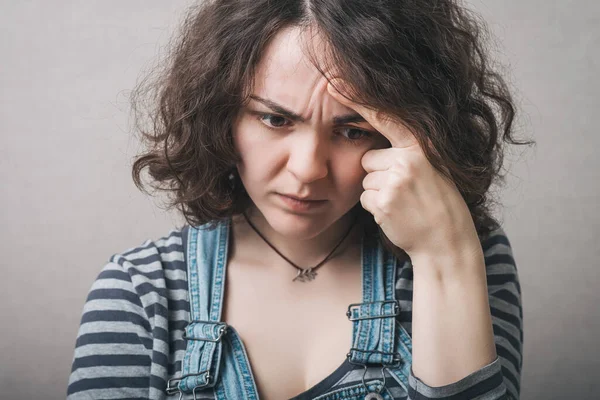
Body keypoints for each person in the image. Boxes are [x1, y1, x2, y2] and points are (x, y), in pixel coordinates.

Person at [67, 0, 532, 399]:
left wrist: (445, 257)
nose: (308, 169)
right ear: (220, 116)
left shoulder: (467, 259)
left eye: (353, 131)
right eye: (275, 120)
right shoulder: (141, 292)